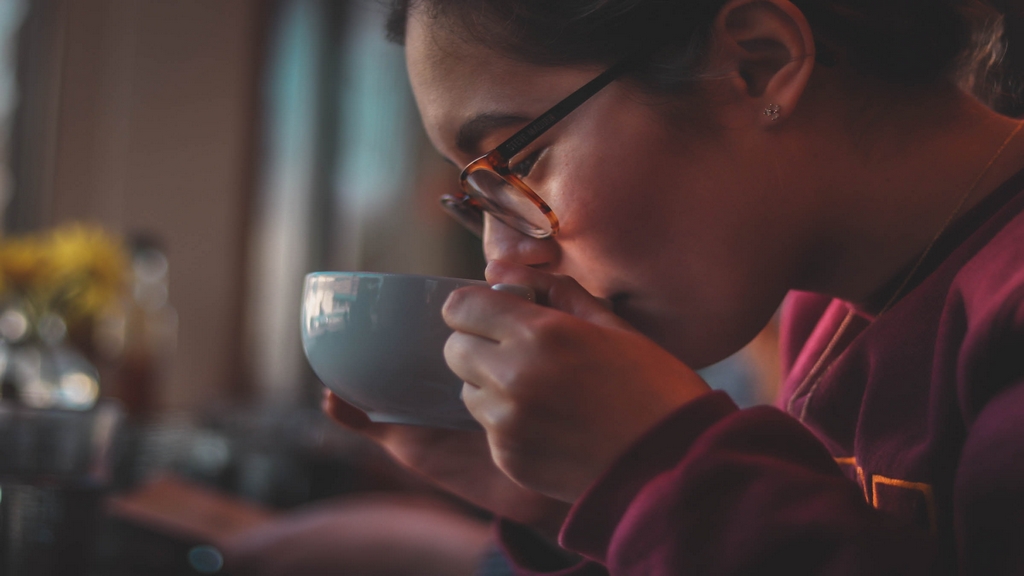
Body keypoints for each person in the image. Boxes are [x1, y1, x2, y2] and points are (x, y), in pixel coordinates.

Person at [323, 0, 1024, 573]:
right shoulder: (828, 305)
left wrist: (657, 474)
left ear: (757, 64)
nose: (504, 264)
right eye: (479, 200)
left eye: (522, 162)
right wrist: (574, 507)